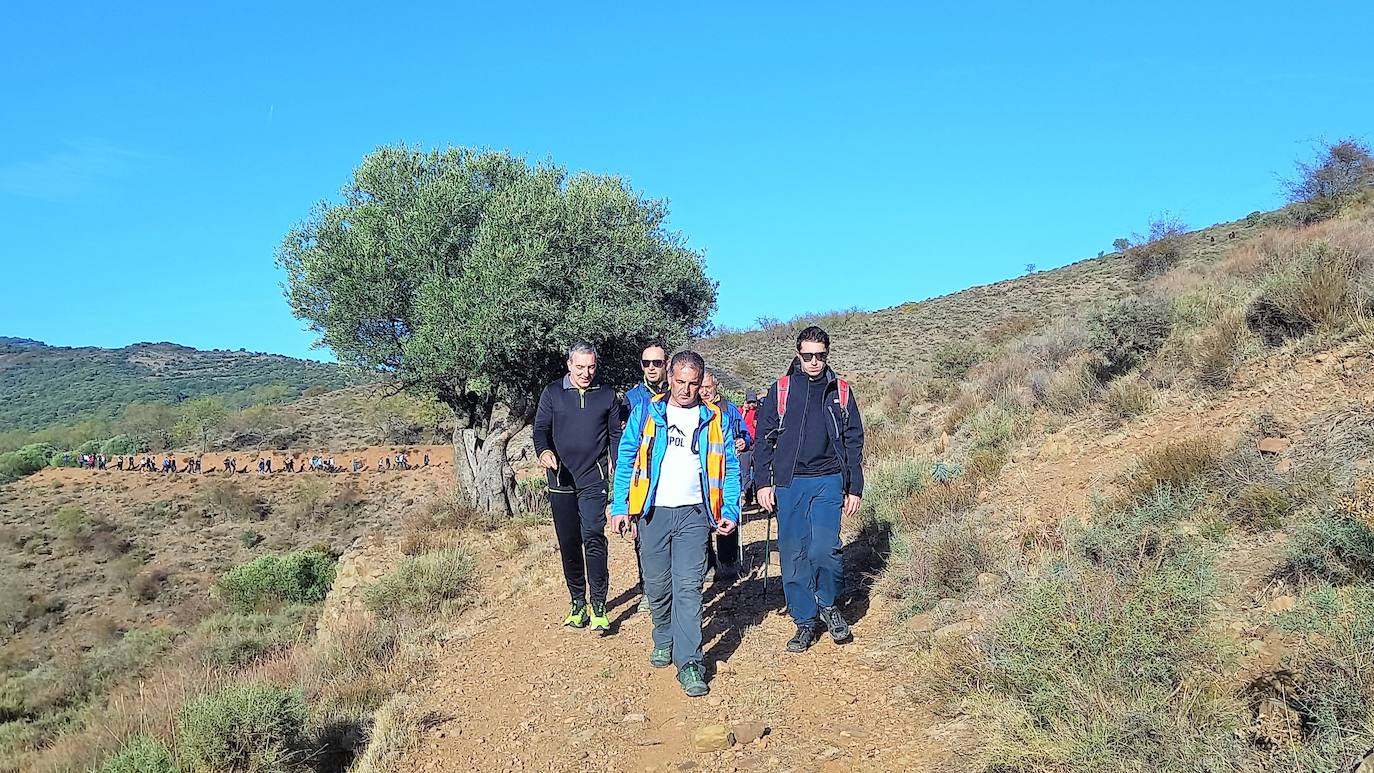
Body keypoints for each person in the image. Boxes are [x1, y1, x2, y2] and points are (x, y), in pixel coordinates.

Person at [611, 350, 739, 697]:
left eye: (693, 383)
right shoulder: (646, 413)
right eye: (680, 381)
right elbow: (625, 459)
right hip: (652, 512)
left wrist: (730, 510)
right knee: (657, 584)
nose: (686, 389)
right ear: (669, 377)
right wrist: (619, 506)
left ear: (702, 383)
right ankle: (663, 634)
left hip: (695, 513)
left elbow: (729, 467)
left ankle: (690, 662)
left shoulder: (715, 418)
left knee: (688, 587)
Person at [753, 325, 865, 653]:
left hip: (829, 479)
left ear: (827, 355)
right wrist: (763, 483)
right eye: (807, 355)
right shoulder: (783, 389)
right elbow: (764, 438)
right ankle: (804, 620)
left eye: (820, 356)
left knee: (824, 549)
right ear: (797, 355)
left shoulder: (840, 391)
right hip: (790, 483)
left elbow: (854, 440)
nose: (814, 361)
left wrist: (854, 486)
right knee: (793, 554)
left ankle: (828, 604)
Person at [533, 341, 622, 634]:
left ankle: (599, 605)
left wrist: (617, 461)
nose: (586, 373)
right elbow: (540, 430)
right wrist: (544, 452)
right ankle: (577, 603)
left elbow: (614, 433)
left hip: (594, 477)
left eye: (591, 366)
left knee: (593, 536)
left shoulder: (607, 395)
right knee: (569, 542)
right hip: (560, 478)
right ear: (569, 365)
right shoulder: (552, 392)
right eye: (580, 366)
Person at [624, 342, 670, 613]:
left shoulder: (678, 391)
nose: (651, 368)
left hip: (672, 471)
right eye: (646, 363)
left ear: (666, 364)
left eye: (657, 363)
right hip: (642, 474)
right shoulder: (631, 399)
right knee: (642, 534)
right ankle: (648, 590)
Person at [699, 371, 751, 581]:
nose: (704, 392)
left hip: (723, 472)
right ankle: (708, 563)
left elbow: (745, 433)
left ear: (716, 387)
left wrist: (743, 442)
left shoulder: (728, 409)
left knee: (725, 514)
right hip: (703, 476)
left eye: (708, 387)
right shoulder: (694, 408)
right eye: (701, 387)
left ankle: (729, 561)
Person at [741, 389, 760, 507]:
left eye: (754, 402)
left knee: (758, 472)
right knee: (746, 474)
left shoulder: (759, 412)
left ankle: (759, 499)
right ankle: (748, 499)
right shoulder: (741, 411)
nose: (752, 405)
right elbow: (738, 424)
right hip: (746, 448)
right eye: (750, 402)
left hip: (756, 445)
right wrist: (744, 411)